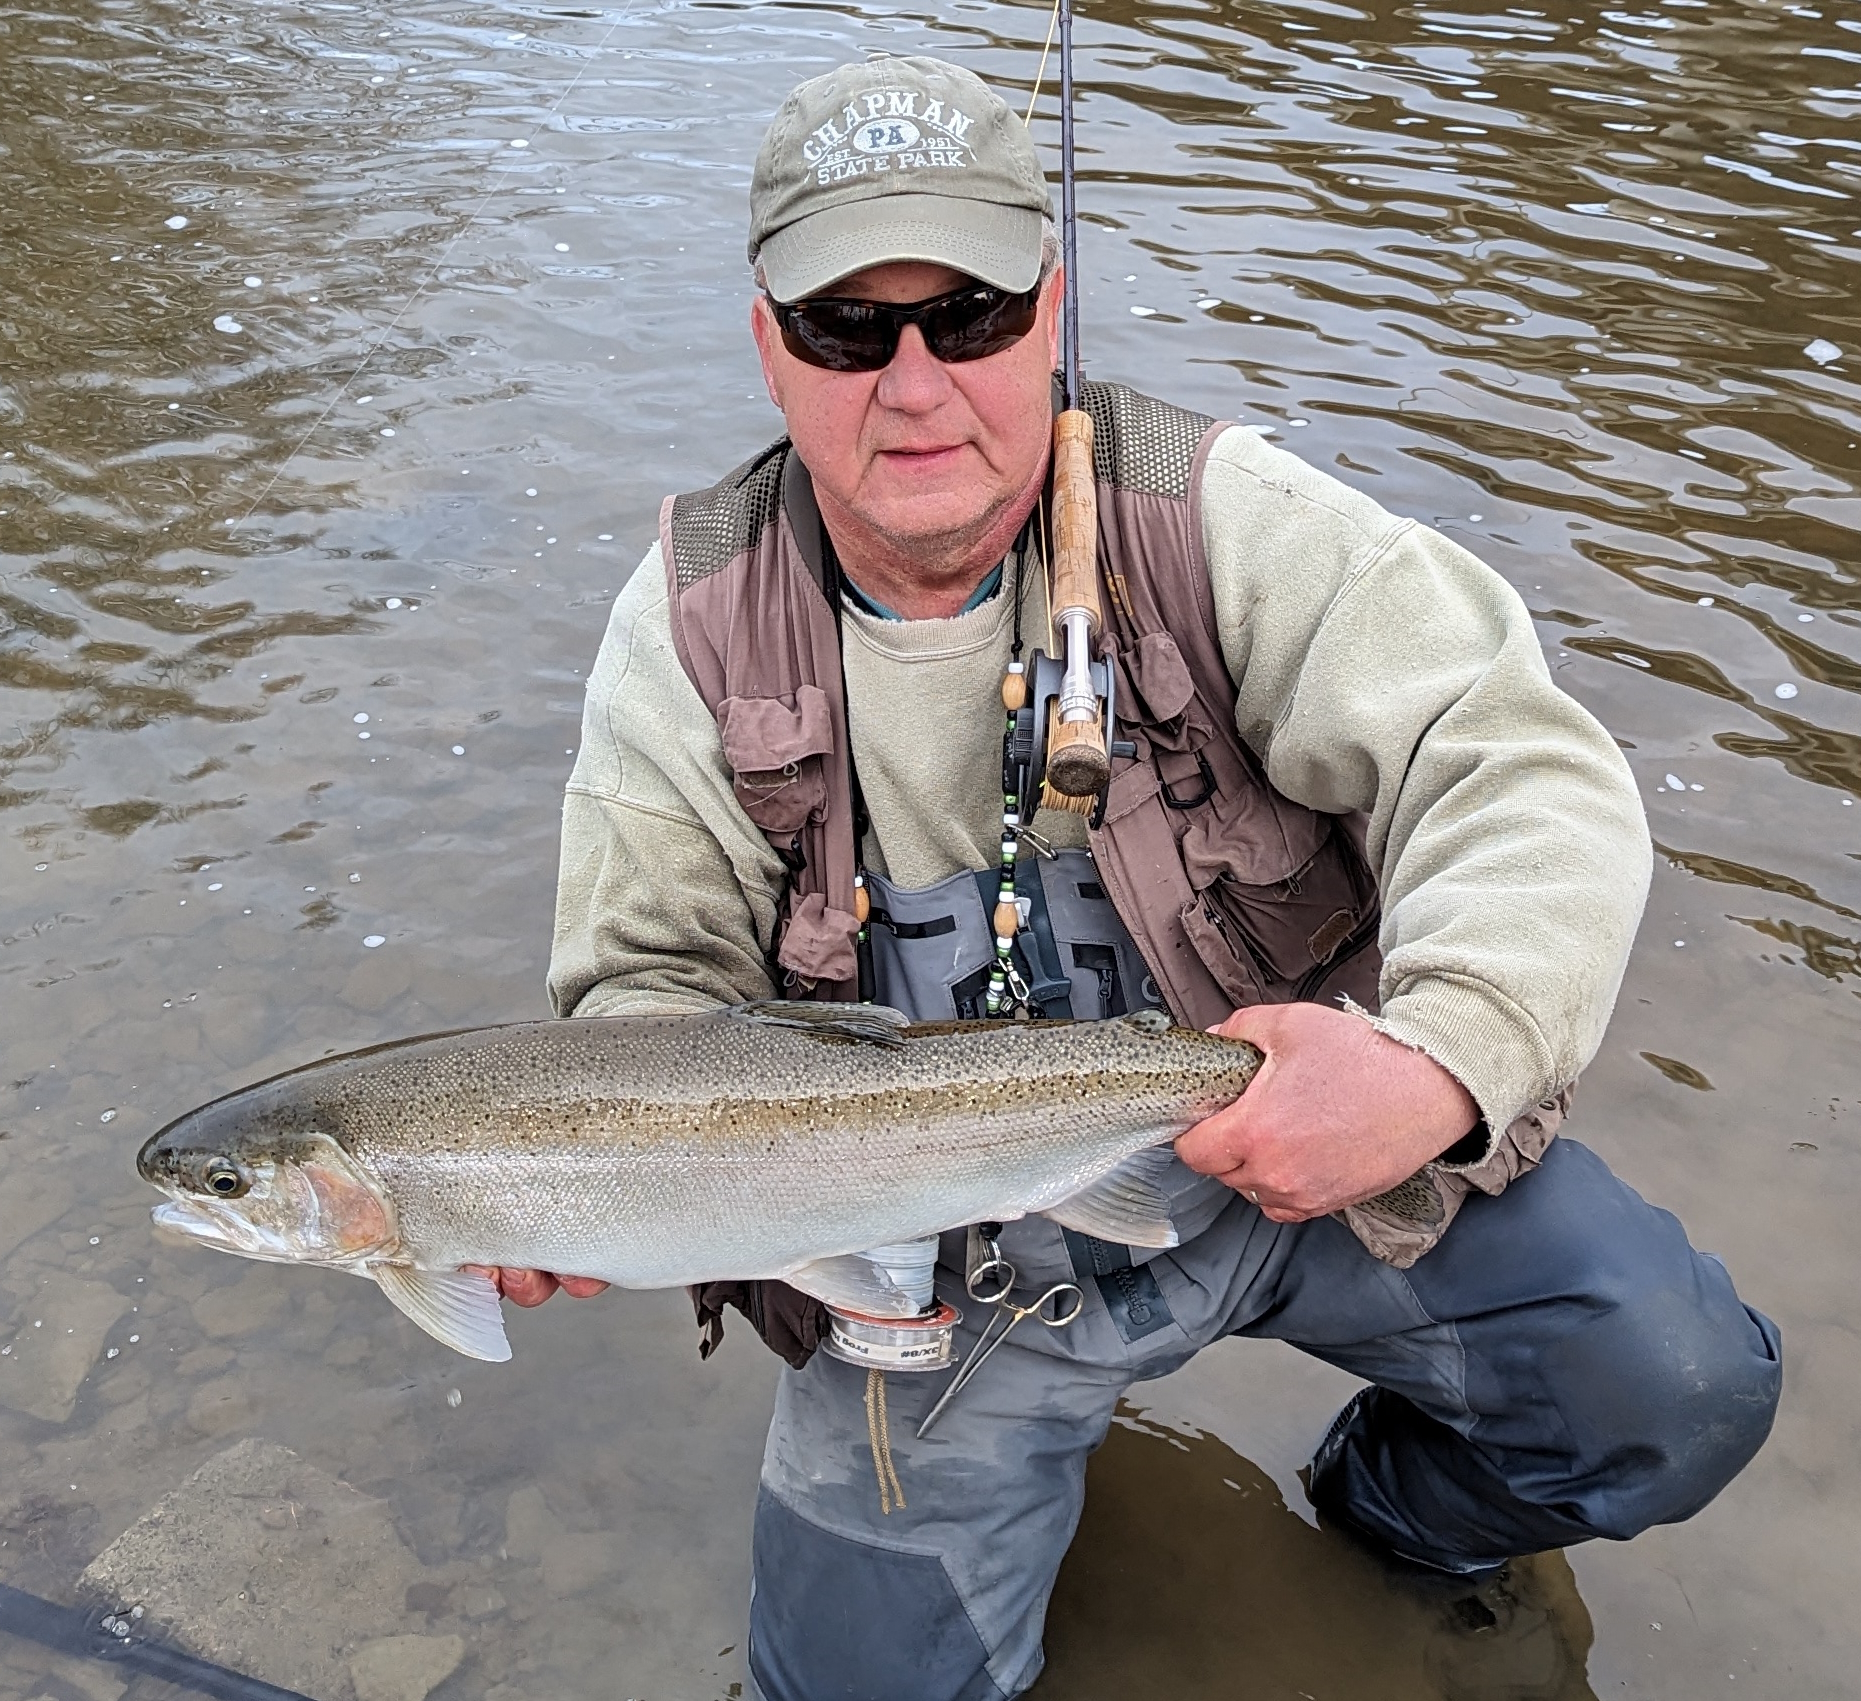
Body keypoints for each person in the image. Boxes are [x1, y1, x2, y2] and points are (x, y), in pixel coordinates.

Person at [496, 54, 1780, 1701]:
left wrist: (1431, 1062)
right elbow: (645, 989)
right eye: (844, 327)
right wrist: (579, 1181)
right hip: (935, 1287)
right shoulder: (684, 629)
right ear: (767, 345)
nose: (911, 383)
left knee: (1668, 1381)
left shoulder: (1215, 519)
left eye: (964, 315)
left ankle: (1393, 1521)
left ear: (1048, 312)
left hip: (1297, 1174)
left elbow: (1511, 762)